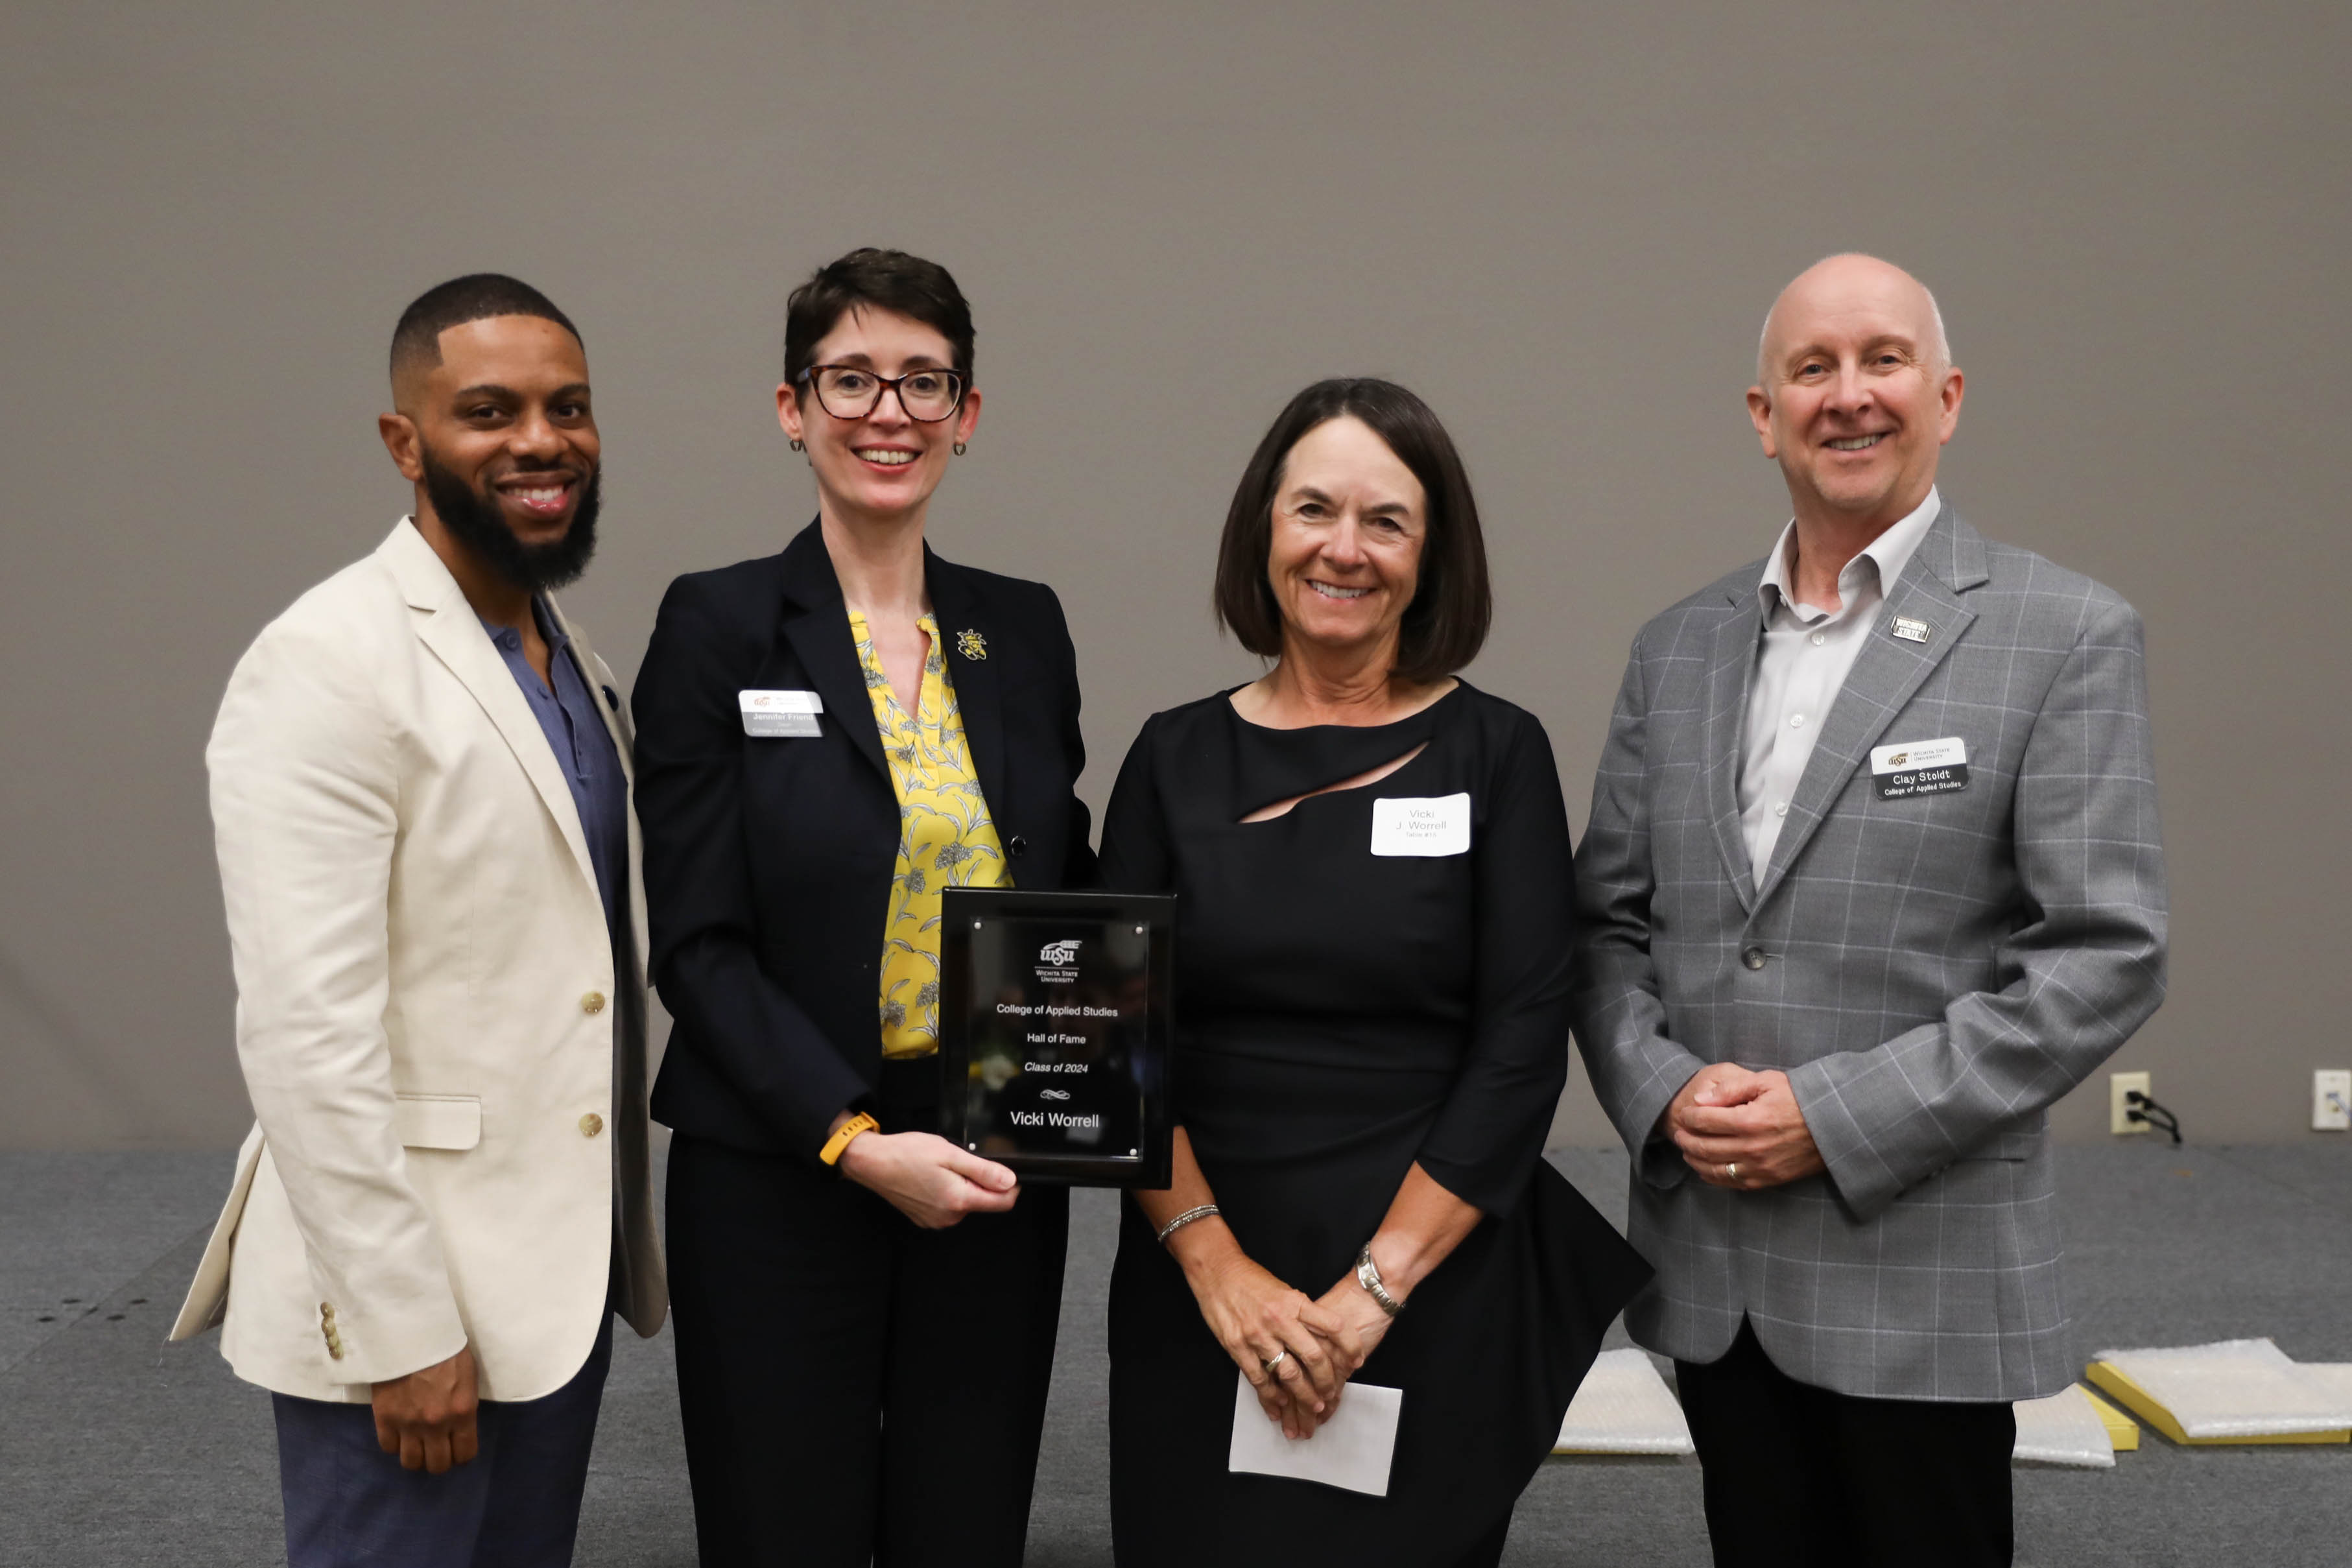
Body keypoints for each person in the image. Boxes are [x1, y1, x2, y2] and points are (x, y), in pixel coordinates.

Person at [1572, 254, 2168, 1568]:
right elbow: (1605, 925)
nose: (1849, 396)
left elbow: (2099, 958)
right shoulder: (1674, 650)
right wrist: (1660, 1092)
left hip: (1918, 1265)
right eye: (1811, 368)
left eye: (1882, 361)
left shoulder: (2058, 634)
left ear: (1945, 396)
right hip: (1713, 1257)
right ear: (1760, 412)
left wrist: (1827, 1119)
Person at [1099, 378, 1650, 1567]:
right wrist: (1216, 1266)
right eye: (1313, 510)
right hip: (1203, 1279)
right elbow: (1114, 1042)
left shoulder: (1498, 753)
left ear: (1431, 550)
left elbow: (1523, 1035)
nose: (1344, 548)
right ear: (1264, 530)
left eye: (1386, 520)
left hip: (1427, 1273)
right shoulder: (1170, 759)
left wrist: (1373, 1292)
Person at [167, 274, 667, 1567]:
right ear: (405, 442)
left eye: (569, 408)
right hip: (408, 1308)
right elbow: (303, 1033)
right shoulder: (326, 661)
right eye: (488, 412)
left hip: (550, 1284)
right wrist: (401, 1328)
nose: (540, 441)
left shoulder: (575, 658)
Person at [631, 248, 1093, 1568]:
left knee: (965, 1522)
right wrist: (847, 1140)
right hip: (781, 1166)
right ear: (792, 409)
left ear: (967, 413)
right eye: (850, 379)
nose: (886, 412)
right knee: (786, 1527)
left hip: (987, 1161)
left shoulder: (1023, 627)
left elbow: (1057, 884)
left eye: (921, 381)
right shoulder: (718, 626)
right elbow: (699, 946)